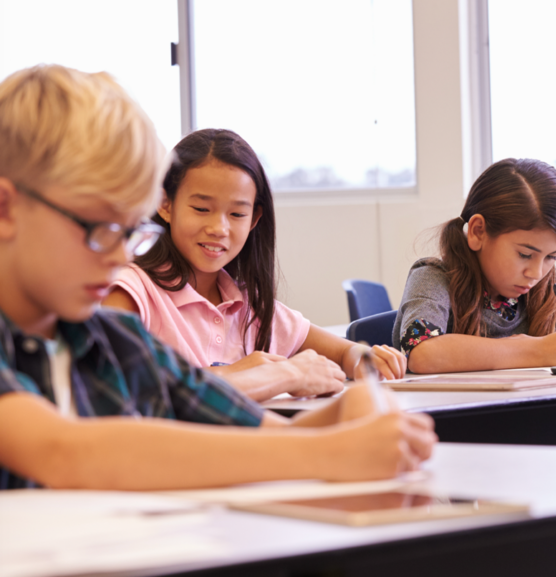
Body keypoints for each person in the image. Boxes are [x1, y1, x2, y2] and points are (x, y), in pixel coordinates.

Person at [0, 64, 435, 490]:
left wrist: (343, 417)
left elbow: (252, 434)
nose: (118, 257)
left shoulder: (117, 341)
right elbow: (64, 451)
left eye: (130, 231)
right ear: (6, 209)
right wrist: (327, 451)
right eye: (99, 229)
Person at [103, 129, 406, 402]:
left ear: (254, 220)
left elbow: (343, 352)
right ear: (165, 204)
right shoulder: (133, 292)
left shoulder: (251, 306)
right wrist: (243, 374)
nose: (219, 227)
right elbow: (117, 385)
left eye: (236, 214)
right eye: (201, 209)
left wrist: (366, 358)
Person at [393, 158, 556, 374]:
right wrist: (541, 350)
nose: (536, 273)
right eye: (524, 254)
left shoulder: (550, 284)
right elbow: (422, 352)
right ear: (478, 231)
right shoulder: (434, 276)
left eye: (551, 257)